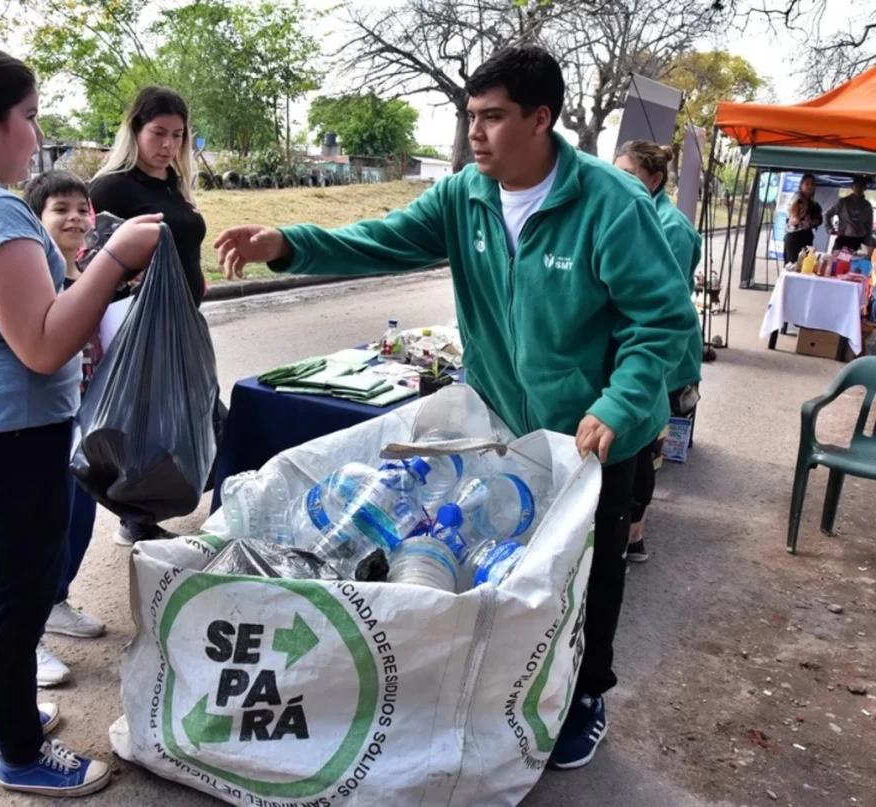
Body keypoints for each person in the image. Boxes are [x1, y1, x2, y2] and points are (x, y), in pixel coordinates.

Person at [214, 45, 697, 770]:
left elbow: (662, 323)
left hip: (598, 437)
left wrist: (621, 404)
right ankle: (515, 681)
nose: (475, 132)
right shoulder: (463, 195)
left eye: (493, 117)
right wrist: (289, 243)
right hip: (502, 428)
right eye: (471, 116)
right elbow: (379, 240)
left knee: (589, 571)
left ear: (542, 118)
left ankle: (587, 691)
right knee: (507, 563)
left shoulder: (611, 204)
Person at [0, 45, 162, 797]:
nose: (37, 137)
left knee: (7, 586)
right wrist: (112, 258)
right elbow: (43, 345)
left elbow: (29, 321)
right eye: (31, 118)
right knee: (15, 603)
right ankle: (17, 751)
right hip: (5, 440)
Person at [88, 86, 208, 546]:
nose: (168, 145)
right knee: (145, 425)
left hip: (181, 322)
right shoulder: (111, 187)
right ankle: (134, 518)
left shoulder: (170, 185)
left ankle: (145, 511)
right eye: (158, 133)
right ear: (134, 130)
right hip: (139, 326)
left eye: (178, 135)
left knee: (181, 418)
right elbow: (89, 259)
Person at [21, 170, 110, 689]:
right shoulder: (37, 278)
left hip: (88, 420)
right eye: (61, 209)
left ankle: (55, 602)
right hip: (45, 421)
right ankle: (26, 639)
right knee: (40, 530)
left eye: (83, 208)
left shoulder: (92, 274)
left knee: (78, 518)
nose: (75, 217)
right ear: (37, 219)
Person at [613, 140, 703, 563]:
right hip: (633, 346)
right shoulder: (637, 215)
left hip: (661, 353)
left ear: (655, 179)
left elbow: (666, 304)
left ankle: (635, 536)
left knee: (644, 443)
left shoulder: (671, 230)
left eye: (628, 175)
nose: (618, 182)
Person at [825, 175, 874, 253]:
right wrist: (830, 230)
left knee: (856, 264)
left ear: (865, 188)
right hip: (844, 239)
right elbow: (827, 215)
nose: (859, 188)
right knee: (837, 263)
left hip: (860, 241)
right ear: (852, 187)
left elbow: (869, 227)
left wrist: (866, 244)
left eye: (861, 186)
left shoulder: (867, 205)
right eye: (857, 186)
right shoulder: (843, 202)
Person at [784, 173, 822, 262]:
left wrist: (813, 221)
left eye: (812, 184)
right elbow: (793, 219)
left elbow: (819, 220)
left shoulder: (813, 203)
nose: (810, 186)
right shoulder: (797, 198)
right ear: (801, 185)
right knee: (793, 265)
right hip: (795, 236)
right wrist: (797, 220)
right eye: (807, 184)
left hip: (806, 235)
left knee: (805, 265)